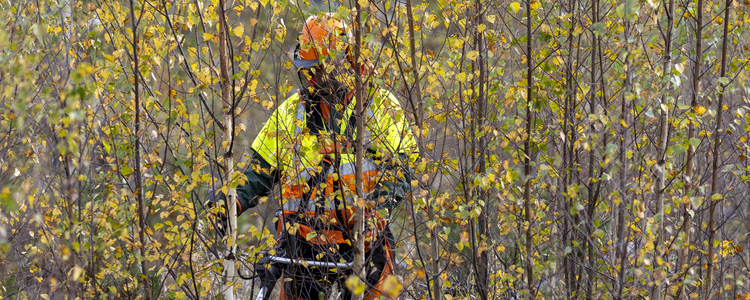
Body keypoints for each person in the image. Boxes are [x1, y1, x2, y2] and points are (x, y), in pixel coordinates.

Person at [210, 13, 418, 300]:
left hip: (365, 242)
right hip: (304, 245)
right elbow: (258, 173)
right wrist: (229, 202)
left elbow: (402, 169)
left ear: (343, 63)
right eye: (306, 70)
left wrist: (376, 208)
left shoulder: (380, 106)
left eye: (317, 70)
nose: (311, 78)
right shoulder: (291, 113)